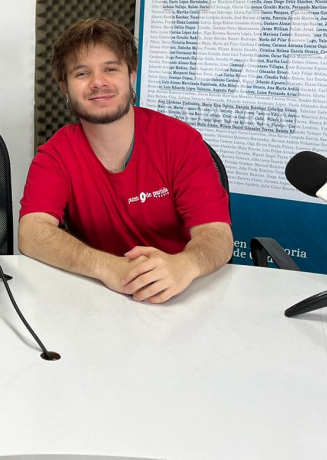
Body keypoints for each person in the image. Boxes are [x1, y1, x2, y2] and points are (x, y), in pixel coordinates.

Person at [18, 18, 232, 303]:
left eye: (110, 69)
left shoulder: (180, 141)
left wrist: (185, 264)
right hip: (101, 295)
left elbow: (217, 234)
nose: (98, 83)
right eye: (82, 73)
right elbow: (31, 233)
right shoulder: (54, 155)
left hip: (185, 293)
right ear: (64, 88)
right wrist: (110, 268)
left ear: (131, 76)